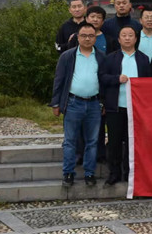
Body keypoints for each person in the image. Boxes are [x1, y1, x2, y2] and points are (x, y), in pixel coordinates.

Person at [50, 22, 105, 187]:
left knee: (92, 141)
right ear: (77, 37)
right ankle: (68, 173)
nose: (87, 39)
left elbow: (104, 82)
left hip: (94, 104)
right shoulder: (67, 56)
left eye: (91, 36)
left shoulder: (101, 57)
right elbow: (59, 80)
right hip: (73, 102)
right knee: (70, 140)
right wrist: (56, 103)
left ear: (95, 38)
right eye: (84, 36)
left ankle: (89, 173)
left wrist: (104, 102)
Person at [99, 26, 151, 186]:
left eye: (130, 35)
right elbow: (102, 77)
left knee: (132, 142)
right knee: (114, 142)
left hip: (136, 108)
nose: (127, 38)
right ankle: (114, 173)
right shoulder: (111, 58)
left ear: (136, 39)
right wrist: (116, 79)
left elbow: (149, 82)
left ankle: (130, 173)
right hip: (116, 107)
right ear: (119, 39)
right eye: (124, 35)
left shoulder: (143, 59)